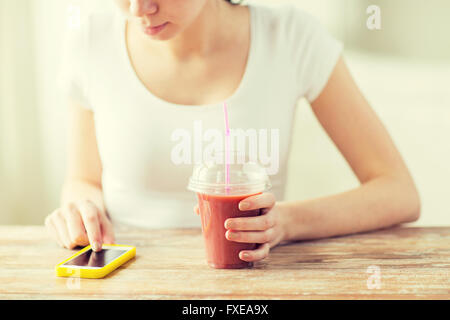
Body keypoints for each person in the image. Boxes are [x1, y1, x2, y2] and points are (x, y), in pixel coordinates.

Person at [45, 0, 420, 264]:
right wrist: (80, 208)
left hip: (253, 282)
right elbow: (82, 179)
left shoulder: (291, 38)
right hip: (132, 280)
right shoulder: (90, 41)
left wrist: (285, 223)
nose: (139, 9)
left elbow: (398, 192)